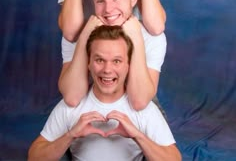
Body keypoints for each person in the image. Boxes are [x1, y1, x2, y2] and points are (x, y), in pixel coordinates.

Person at [28, 26, 181, 161]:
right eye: (99, 60)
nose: (107, 70)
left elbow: (174, 158)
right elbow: (34, 157)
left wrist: (137, 135)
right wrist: (71, 135)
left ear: (128, 66)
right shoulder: (69, 107)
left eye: (116, 61)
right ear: (88, 63)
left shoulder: (145, 111)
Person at [59, 0, 167, 110]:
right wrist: (85, 36)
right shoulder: (78, 32)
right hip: (90, 104)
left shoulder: (152, 37)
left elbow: (139, 102)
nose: (108, 9)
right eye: (100, 1)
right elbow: (71, 98)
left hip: (137, 109)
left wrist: (137, 39)